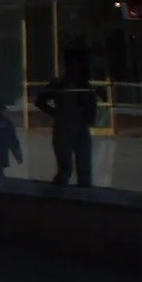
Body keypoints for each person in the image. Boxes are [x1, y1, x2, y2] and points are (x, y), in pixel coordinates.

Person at [36, 49, 97, 187]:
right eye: (71, 64)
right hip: (64, 128)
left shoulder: (84, 86)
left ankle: (84, 192)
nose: (73, 68)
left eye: (76, 64)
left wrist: (89, 118)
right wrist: (56, 113)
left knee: (84, 167)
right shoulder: (59, 84)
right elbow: (40, 101)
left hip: (80, 128)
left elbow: (92, 104)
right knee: (65, 168)